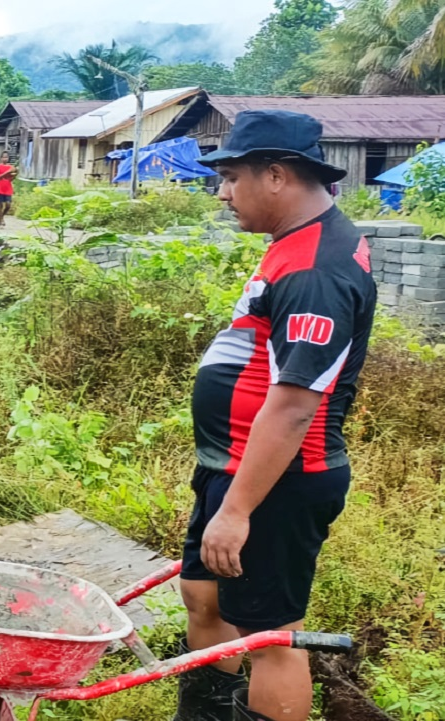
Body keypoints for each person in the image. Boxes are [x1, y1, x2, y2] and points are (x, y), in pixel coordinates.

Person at [175, 110, 376, 721]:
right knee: (203, 595)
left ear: (277, 175)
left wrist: (237, 511)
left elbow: (292, 409)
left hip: (280, 480)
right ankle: (207, 713)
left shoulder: (318, 269)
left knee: (272, 635)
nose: (223, 192)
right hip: (232, 464)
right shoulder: (291, 246)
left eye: (232, 177)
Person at [0, 152, 17, 228]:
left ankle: (2, 216)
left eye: (6, 157)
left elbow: (11, 178)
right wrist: (8, 171)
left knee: (8, 205)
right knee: (0, 205)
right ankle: (1, 222)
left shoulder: (11, 167)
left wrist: (16, 173)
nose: (5, 159)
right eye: (3, 157)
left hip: (8, 188)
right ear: (1, 158)